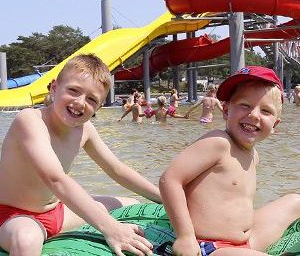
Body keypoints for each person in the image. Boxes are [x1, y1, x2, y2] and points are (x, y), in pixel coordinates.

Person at [0, 54, 161, 256]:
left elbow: (117, 169)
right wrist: (111, 229)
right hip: (13, 215)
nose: (80, 102)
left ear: (99, 107)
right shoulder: (30, 120)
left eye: (92, 99)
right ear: (54, 87)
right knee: (26, 240)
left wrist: (163, 198)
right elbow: (55, 179)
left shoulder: (85, 129)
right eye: (73, 90)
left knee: (131, 205)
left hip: (57, 212)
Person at [159, 66, 300, 256]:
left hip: (248, 241)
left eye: (266, 110)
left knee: (295, 201)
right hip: (211, 246)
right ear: (225, 111)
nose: (254, 114)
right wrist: (185, 236)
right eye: (245, 105)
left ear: (274, 125)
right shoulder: (219, 142)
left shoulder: (253, 155)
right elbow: (170, 179)